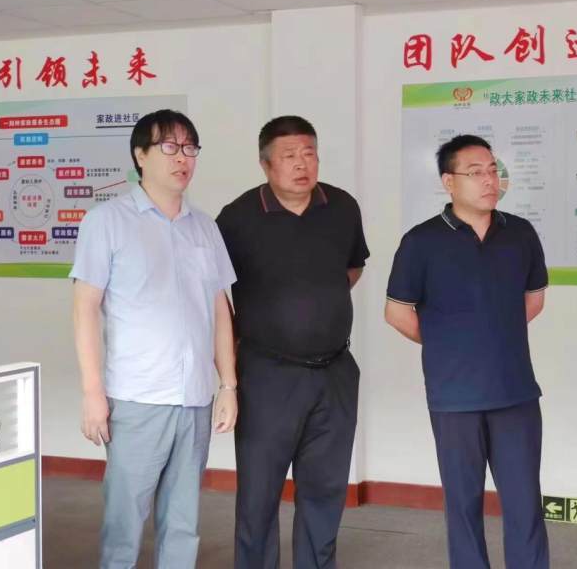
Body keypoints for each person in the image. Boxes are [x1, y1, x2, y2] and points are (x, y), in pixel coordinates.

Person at [70, 109, 238, 569]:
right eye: (169, 147)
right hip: (136, 398)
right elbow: (85, 308)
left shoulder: (205, 227)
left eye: (189, 148)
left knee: (183, 522)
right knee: (124, 521)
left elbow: (220, 310)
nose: (182, 158)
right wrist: (92, 394)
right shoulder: (107, 221)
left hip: (194, 399)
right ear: (140, 155)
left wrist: (228, 385)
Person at [385, 134, 549, 569]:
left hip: (515, 392)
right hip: (454, 396)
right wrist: (449, 341)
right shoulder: (421, 241)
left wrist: (491, 334)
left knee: (525, 502)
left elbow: (534, 299)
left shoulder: (520, 233)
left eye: (493, 170)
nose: (489, 180)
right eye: (476, 172)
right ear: (449, 182)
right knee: (462, 505)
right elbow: (396, 312)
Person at [216, 115, 369, 569]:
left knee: (325, 490)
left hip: (335, 372)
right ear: (266, 164)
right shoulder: (237, 218)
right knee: (259, 495)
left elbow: (352, 268)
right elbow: (216, 295)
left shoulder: (342, 207)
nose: (302, 164)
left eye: (309, 153)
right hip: (267, 374)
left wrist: (314, 306)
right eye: (289, 156)